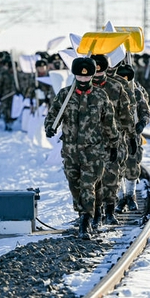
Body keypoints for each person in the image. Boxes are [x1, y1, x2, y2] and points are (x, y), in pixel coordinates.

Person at [44, 57, 119, 239]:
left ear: (92, 76)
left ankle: (86, 220)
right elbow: (53, 115)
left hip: (94, 151)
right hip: (70, 151)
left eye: (87, 77)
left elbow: (109, 122)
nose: (83, 80)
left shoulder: (100, 96)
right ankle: (87, 212)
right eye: (80, 76)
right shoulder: (64, 95)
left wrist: (114, 143)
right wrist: (49, 127)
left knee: (88, 185)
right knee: (74, 184)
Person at [90, 54, 137, 227]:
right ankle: (96, 213)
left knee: (112, 176)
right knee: (92, 179)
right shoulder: (82, 87)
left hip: (113, 139)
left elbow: (126, 114)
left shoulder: (116, 86)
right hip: (90, 140)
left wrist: (132, 135)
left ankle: (109, 210)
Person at [115, 64, 150, 213]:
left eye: (126, 78)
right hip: (115, 135)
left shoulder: (136, 92)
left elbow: (145, 111)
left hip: (132, 135)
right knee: (115, 167)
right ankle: (120, 197)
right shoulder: (112, 91)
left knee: (132, 165)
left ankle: (131, 195)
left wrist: (142, 123)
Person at [0, 58, 19, 131]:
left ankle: (13, 123)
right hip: (5, 96)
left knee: (14, 110)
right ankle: (7, 123)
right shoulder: (4, 75)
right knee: (6, 110)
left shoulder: (18, 75)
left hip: (15, 97)